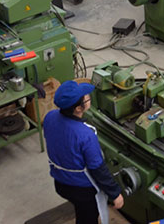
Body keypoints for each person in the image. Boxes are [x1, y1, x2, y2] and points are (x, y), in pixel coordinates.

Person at [44, 81, 124, 224]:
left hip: (60, 182)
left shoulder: (50, 117)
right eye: (87, 99)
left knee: (81, 209)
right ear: (78, 108)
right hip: (81, 191)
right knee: (87, 217)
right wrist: (115, 193)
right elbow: (98, 169)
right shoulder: (85, 135)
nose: (89, 98)